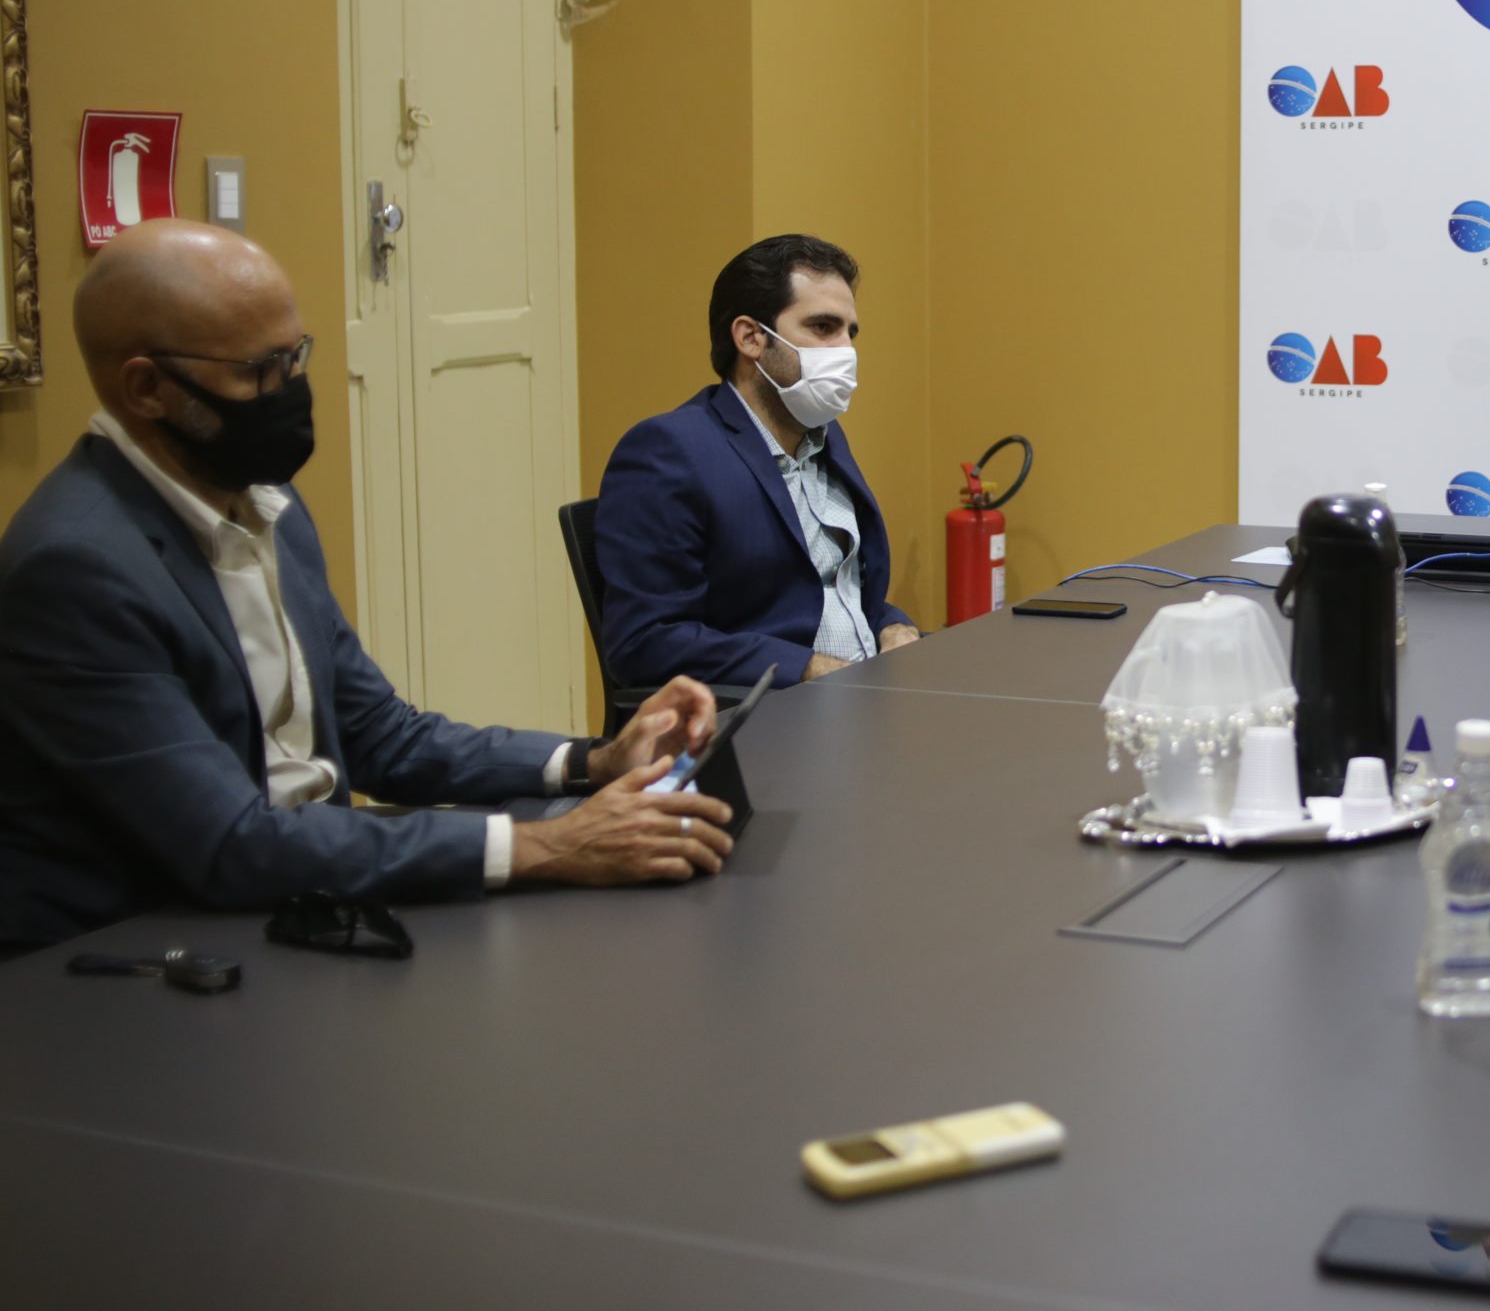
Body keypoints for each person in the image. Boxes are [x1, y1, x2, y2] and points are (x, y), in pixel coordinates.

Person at [0, 222, 734, 958]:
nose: (292, 389)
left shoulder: (267, 503)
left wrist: (593, 761)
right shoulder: (77, 569)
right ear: (146, 389)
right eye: (261, 371)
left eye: (297, 356)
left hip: (297, 889)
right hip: (143, 953)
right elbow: (227, 843)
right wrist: (548, 845)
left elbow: (381, 734)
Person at [596, 234, 918, 690]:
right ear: (751, 337)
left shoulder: (824, 436)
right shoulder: (669, 451)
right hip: (772, 714)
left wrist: (892, 624)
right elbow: (645, 641)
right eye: (823, 327)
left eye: (850, 332)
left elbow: (833, 584)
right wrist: (807, 669)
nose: (845, 350)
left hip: (871, 693)